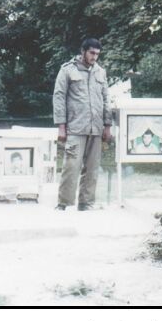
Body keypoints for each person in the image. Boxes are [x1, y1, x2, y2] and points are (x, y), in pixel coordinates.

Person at [53, 38, 112, 211]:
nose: (95, 57)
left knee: (92, 168)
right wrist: (61, 126)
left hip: (96, 127)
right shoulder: (67, 70)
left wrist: (107, 125)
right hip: (75, 126)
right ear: (83, 51)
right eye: (92, 53)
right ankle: (63, 203)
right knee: (71, 166)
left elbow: (106, 99)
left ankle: (86, 203)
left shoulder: (100, 72)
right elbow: (59, 97)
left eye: (97, 54)